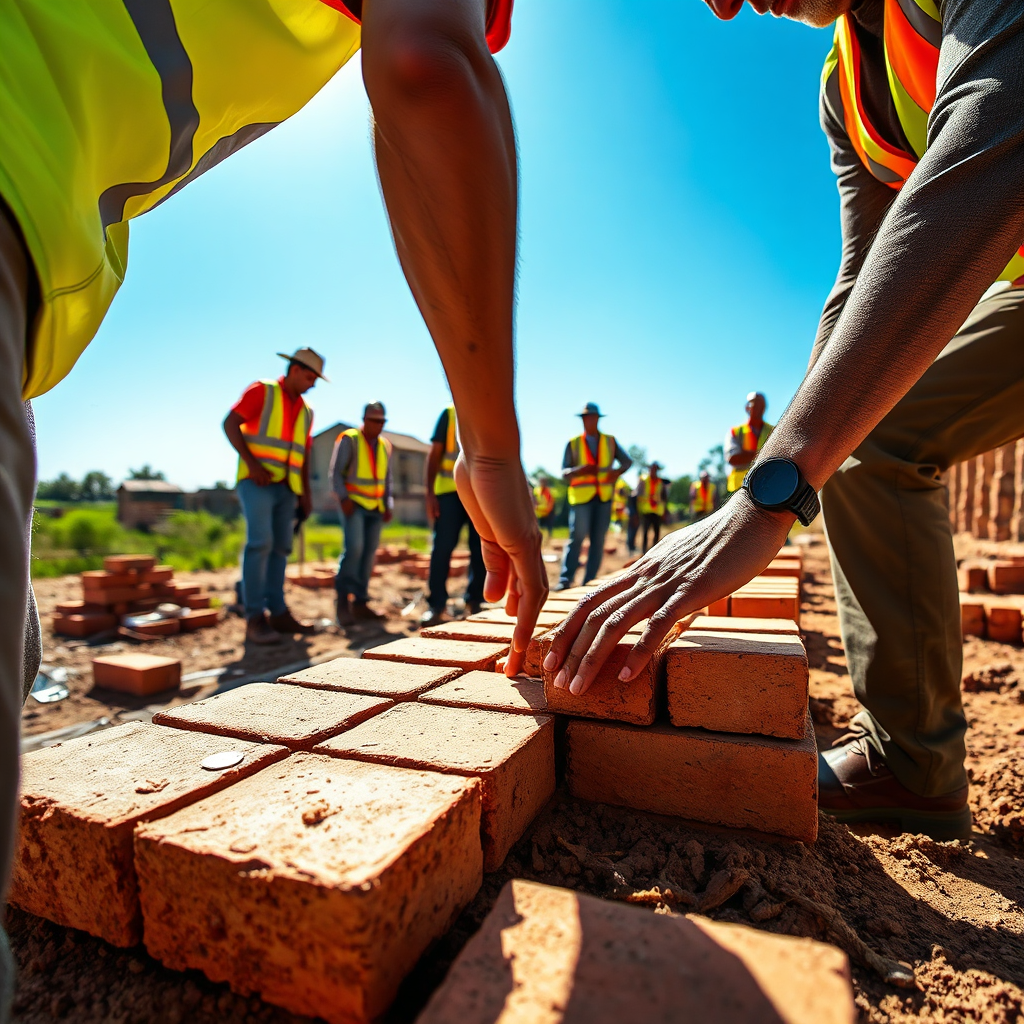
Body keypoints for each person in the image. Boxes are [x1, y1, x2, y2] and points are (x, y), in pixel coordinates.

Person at [1, 3, 550, 1009]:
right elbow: (426, 62)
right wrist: (491, 450)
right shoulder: (268, 404)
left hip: (23, 220)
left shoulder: (310, 417)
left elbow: (408, 94)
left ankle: (268, 607)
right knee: (254, 563)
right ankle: (260, 611)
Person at [544, 0, 1024, 842]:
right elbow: (859, 283)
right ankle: (912, 767)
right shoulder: (848, 86)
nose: (728, 7)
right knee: (866, 434)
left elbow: (997, 141)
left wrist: (777, 492)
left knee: (860, 436)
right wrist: (770, 481)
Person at [223, 349, 323, 644]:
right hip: (257, 483)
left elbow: (303, 455)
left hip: (287, 487)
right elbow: (229, 423)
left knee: (281, 547)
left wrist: (304, 493)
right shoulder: (262, 391)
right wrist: (253, 465)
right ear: (293, 370)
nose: (313, 384)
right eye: (309, 376)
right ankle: (254, 617)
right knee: (260, 543)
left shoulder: (306, 410)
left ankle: (278, 613)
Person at [423, 405, 486, 626]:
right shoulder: (449, 414)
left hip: (479, 493)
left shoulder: (488, 411)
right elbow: (435, 454)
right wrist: (430, 494)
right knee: (442, 549)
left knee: (480, 549)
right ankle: (436, 605)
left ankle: (475, 602)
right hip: (448, 494)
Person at [557, 403, 632, 589]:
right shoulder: (573, 443)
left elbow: (627, 461)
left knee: (598, 540)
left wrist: (617, 472)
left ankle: (589, 581)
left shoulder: (610, 441)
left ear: (598, 419)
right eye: (586, 417)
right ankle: (565, 579)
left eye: (592, 416)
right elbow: (563, 473)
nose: (589, 420)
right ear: (582, 420)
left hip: (603, 497)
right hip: (582, 498)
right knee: (577, 537)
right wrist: (578, 471)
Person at [331, 402, 393, 623]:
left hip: (375, 508)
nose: (378, 425)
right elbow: (336, 473)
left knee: (368, 554)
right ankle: (342, 602)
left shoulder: (385, 445)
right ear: (364, 420)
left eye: (381, 422)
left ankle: (360, 602)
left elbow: (386, 479)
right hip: (354, 505)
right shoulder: (350, 439)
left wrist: (388, 503)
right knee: (354, 549)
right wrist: (344, 498)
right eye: (374, 421)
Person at [725, 392, 774, 493]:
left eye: (761, 404)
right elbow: (733, 458)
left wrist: (746, 455)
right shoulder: (736, 431)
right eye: (754, 403)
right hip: (739, 489)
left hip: (766, 486)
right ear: (747, 407)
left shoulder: (774, 430)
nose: (758, 407)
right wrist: (766, 454)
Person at [635, 462, 669, 553]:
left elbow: (664, 497)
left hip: (657, 511)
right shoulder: (643, 480)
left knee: (656, 533)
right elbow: (637, 494)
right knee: (645, 532)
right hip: (646, 510)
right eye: (652, 469)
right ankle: (643, 552)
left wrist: (665, 511)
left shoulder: (660, 482)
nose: (653, 471)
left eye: (655, 469)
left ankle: (654, 552)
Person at [533, 475, 556, 544]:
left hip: (548, 513)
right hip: (539, 514)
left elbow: (549, 506)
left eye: (544, 481)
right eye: (541, 481)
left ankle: (548, 541)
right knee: (539, 529)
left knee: (548, 528)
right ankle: (542, 542)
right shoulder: (536, 491)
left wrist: (538, 508)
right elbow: (534, 501)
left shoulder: (549, 492)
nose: (543, 483)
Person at [612, 475, 632, 542]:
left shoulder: (620, 483)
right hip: (618, 508)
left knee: (620, 523)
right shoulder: (620, 483)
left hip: (621, 507)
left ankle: (619, 536)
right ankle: (617, 537)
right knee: (617, 524)